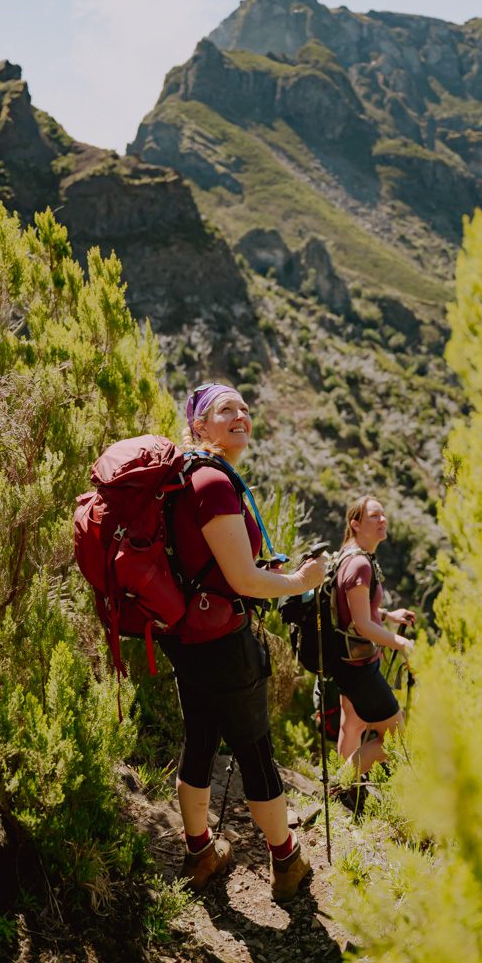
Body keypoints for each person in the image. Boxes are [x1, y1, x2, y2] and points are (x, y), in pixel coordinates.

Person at [160, 381, 326, 901]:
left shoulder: (184, 476)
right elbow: (245, 583)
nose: (240, 416)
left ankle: (200, 852)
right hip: (223, 642)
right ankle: (287, 861)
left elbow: (212, 563)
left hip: (187, 634)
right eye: (224, 410)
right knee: (255, 752)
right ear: (198, 425)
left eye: (244, 408)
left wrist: (258, 568)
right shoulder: (214, 483)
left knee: (202, 738)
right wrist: (301, 582)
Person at [328, 495, 415, 776]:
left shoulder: (348, 555)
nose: (383, 520)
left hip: (345, 661)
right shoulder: (360, 565)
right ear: (355, 523)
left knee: (351, 724)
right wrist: (400, 642)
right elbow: (362, 624)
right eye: (375, 516)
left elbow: (351, 607)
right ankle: (342, 786)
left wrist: (388, 615)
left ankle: (347, 791)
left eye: (383, 515)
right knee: (395, 739)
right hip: (360, 667)